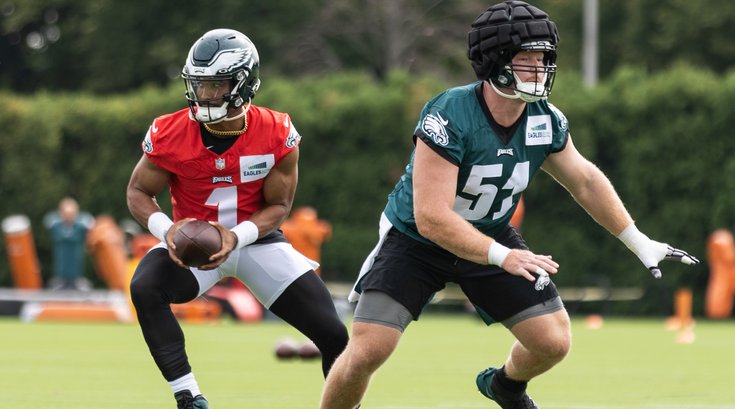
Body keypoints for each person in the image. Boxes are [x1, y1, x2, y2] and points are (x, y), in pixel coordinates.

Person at [319, 2, 700, 409]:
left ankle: (506, 385)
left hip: (489, 232)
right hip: (416, 242)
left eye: (543, 59)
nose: (539, 69)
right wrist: (503, 257)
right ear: (495, 60)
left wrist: (637, 239)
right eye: (527, 59)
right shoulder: (450, 114)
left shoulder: (544, 119)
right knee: (368, 350)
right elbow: (431, 217)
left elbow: (585, 181)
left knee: (552, 342)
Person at [126, 28, 349, 409]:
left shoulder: (276, 131)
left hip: (257, 240)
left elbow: (279, 206)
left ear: (244, 84)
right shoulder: (170, 131)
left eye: (216, 84)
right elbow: (137, 192)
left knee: (335, 337)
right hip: (193, 247)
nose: (206, 94)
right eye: (199, 84)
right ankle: (188, 396)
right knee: (145, 286)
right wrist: (169, 230)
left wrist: (236, 237)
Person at [43, 197, 94, 291]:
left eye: (71, 213)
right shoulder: (56, 225)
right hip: (60, 275)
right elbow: (48, 220)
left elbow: (90, 222)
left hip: (77, 275)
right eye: (66, 213)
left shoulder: (80, 226)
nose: (69, 216)